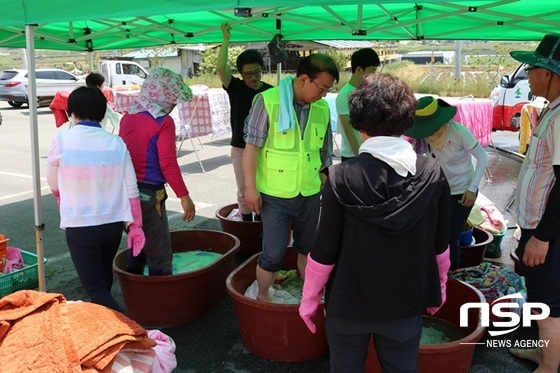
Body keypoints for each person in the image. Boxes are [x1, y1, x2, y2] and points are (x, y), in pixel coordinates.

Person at [299, 73, 451, 373]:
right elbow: (441, 244)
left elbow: (324, 249)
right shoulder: (432, 173)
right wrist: (439, 288)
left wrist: (309, 300)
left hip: (348, 306)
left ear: (358, 120)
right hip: (404, 304)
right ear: (407, 119)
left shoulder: (340, 177)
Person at [243, 53, 338, 302]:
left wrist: (326, 187)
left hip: (309, 193)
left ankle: (310, 296)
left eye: (329, 89)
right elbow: (251, 148)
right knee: (273, 254)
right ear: (305, 79)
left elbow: (325, 153)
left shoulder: (322, 108)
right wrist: (250, 188)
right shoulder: (267, 101)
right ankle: (263, 297)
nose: (324, 94)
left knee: (308, 248)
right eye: (322, 87)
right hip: (275, 194)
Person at [47, 86, 145, 313]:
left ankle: (134, 333)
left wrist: (62, 198)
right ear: (102, 112)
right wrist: (135, 225)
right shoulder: (116, 142)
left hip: (80, 225)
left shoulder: (62, 139)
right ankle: (106, 327)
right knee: (103, 282)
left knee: (95, 289)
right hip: (112, 224)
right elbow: (131, 187)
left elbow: (52, 182)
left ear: (72, 112)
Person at [508, 33, 560, 373]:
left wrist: (541, 236)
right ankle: (544, 355)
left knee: (549, 301)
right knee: (544, 294)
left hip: (548, 230)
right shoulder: (550, 112)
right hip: (538, 225)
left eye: (534, 68)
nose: (529, 75)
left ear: (551, 75)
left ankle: (549, 365)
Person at [119, 67, 196, 276]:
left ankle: (134, 290)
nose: (173, 105)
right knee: (159, 250)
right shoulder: (164, 122)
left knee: (136, 240)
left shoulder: (127, 118)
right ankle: (159, 298)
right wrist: (184, 196)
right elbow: (168, 163)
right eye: (173, 100)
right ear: (164, 98)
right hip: (150, 193)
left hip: (126, 192)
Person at [404, 96, 487, 269]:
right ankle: (437, 272)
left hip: (463, 192)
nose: (430, 133)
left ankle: (453, 274)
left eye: (432, 128)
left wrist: (472, 188)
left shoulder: (459, 132)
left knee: (449, 235)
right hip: (440, 190)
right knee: (435, 232)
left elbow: (482, 157)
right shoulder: (424, 138)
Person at [217, 22, 273, 222]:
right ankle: (247, 223)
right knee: (244, 190)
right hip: (241, 148)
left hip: (265, 148)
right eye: (248, 74)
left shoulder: (269, 91)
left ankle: (261, 224)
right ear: (241, 74)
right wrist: (226, 40)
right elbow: (220, 67)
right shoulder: (236, 87)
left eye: (257, 72)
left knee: (264, 188)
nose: (254, 77)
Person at [335, 48, 380, 161]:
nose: (374, 75)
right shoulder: (345, 95)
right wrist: (360, 157)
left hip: (370, 153)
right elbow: (348, 130)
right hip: (353, 156)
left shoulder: (368, 90)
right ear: (359, 69)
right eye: (372, 71)